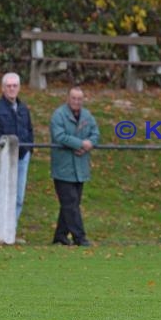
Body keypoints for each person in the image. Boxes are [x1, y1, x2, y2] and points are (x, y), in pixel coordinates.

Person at [0, 72, 34, 237]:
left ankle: (11, 229)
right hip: (3, 159)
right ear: (3, 88)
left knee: (19, 195)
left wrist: (29, 150)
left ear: (19, 88)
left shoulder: (24, 109)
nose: (12, 89)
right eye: (8, 86)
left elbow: (30, 131)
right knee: (0, 193)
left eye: (14, 86)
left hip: (22, 157)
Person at [50, 86, 100, 247]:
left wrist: (90, 144)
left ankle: (60, 236)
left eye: (79, 99)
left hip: (81, 167)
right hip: (63, 168)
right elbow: (59, 136)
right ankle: (80, 237)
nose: (76, 102)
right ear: (68, 98)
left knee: (72, 203)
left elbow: (95, 133)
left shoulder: (87, 116)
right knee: (70, 203)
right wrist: (79, 144)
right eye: (74, 98)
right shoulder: (58, 115)